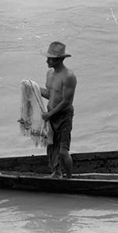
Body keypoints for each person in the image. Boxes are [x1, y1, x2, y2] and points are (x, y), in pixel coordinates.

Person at [40, 41, 77, 178]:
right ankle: (57, 172)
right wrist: (34, 89)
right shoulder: (49, 74)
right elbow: (50, 95)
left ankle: (69, 179)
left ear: (59, 59)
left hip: (63, 116)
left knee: (62, 150)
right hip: (51, 115)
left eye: (50, 58)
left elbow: (66, 102)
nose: (47, 61)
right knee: (51, 147)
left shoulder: (68, 76)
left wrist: (49, 114)